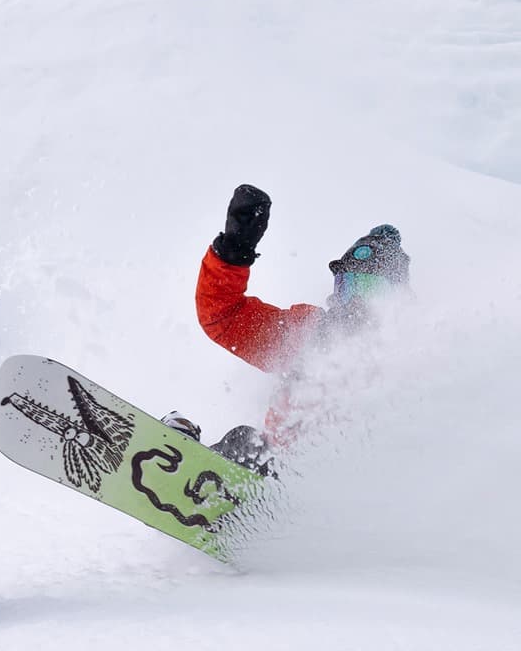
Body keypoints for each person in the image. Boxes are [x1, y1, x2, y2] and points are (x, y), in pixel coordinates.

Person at [168, 183, 409, 470]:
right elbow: (224, 317)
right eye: (348, 285)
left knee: (251, 446)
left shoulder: (407, 358)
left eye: (368, 287)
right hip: (272, 472)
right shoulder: (308, 331)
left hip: (339, 479)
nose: (354, 299)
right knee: (243, 441)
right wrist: (234, 250)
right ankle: (190, 475)